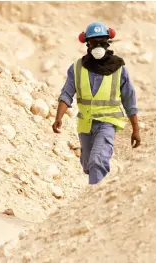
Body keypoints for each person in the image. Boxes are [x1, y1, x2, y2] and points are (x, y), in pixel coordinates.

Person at [52, 21, 141, 185]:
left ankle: (96, 205)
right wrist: (59, 117)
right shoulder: (77, 68)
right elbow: (66, 93)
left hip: (108, 123)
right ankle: (105, 188)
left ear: (108, 42)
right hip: (85, 124)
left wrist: (135, 129)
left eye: (102, 41)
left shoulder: (119, 68)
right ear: (87, 43)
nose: (98, 45)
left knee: (97, 161)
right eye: (94, 42)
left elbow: (129, 99)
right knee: (87, 165)